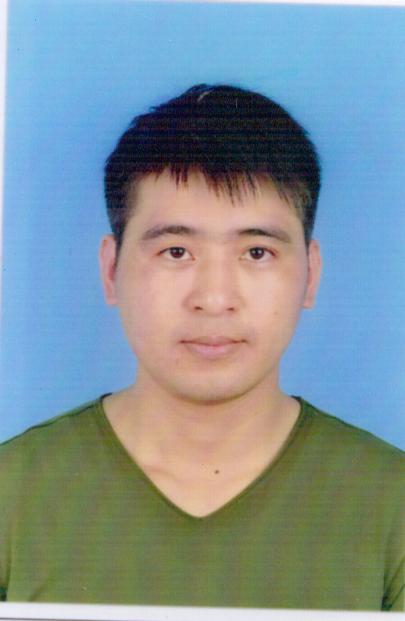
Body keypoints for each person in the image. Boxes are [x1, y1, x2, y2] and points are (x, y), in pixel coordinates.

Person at [0, 84, 403, 610]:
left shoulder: (392, 504)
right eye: (176, 251)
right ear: (111, 269)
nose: (214, 299)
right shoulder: (13, 492)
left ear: (311, 274)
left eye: (256, 252)